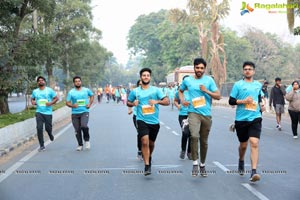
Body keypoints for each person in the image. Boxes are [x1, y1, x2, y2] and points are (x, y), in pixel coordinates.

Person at [178, 58, 221, 177]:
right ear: (194, 68)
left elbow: (218, 96)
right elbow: (180, 91)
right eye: (197, 68)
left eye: (202, 68)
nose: (199, 70)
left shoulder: (209, 80)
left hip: (206, 114)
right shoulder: (188, 80)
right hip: (193, 112)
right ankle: (195, 163)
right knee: (194, 136)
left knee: (204, 141)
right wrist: (182, 100)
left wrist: (206, 91)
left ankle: (202, 164)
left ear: (204, 69)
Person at [127, 68, 170, 176]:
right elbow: (128, 102)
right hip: (141, 120)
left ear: (150, 77)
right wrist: (133, 104)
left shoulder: (156, 90)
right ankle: (147, 165)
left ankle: (149, 156)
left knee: (151, 143)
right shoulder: (135, 91)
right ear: (141, 77)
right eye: (144, 75)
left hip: (154, 121)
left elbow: (167, 101)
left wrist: (157, 101)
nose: (146, 77)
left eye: (148, 75)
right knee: (144, 141)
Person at [229, 61, 265, 182]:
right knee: (243, 145)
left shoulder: (258, 85)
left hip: (255, 117)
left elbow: (259, 97)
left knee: (254, 142)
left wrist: (262, 105)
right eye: (245, 69)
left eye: (250, 69)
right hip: (241, 119)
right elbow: (231, 101)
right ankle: (241, 160)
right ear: (243, 71)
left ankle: (253, 172)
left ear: (254, 71)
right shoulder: (238, 85)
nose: (247, 71)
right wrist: (243, 101)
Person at [66, 76, 94, 151]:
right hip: (75, 113)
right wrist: (73, 105)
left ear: (81, 82)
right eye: (76, 81)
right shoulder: (71, 92)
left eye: (79, 81)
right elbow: (67, 103)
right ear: (74, 83)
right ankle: (80, 144)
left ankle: (87, 140)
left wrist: (90, 104)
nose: (78, 82)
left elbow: (92, 96)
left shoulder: (86, 90)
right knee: (77, 129)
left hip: (84, 111)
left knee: (84, 126)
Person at [31, 76, 58, 152]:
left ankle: (50, 134)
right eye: (39, 81)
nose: (41, 81)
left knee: (48, 128)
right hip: (39, 112)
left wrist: (50, 103)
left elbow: (56, 98)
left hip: (48, 112)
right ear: (37, 83)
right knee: (39, 128)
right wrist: (33, 102)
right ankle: (42, 145)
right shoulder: (35, 91)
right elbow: (32, 99)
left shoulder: (49, 90)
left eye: (42, 80)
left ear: (44, 82)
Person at [174, 75, 191, 160]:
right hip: (183, 115)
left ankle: (189, 152)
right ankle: (183, 150)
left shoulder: (194, 91)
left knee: (192, 134)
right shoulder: (179, 92)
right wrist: (178, 106)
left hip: (193, 114)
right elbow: (175, 100)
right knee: (185, 133)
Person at [128, 80, 143, 160]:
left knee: (148, 135)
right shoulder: (135, 92)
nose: (142, 85)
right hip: (137, 116)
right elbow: (129, 101)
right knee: (141, 133)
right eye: (140, 84)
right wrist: (130, 109)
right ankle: (140, 151)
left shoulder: (151, 92)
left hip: (149, 117)